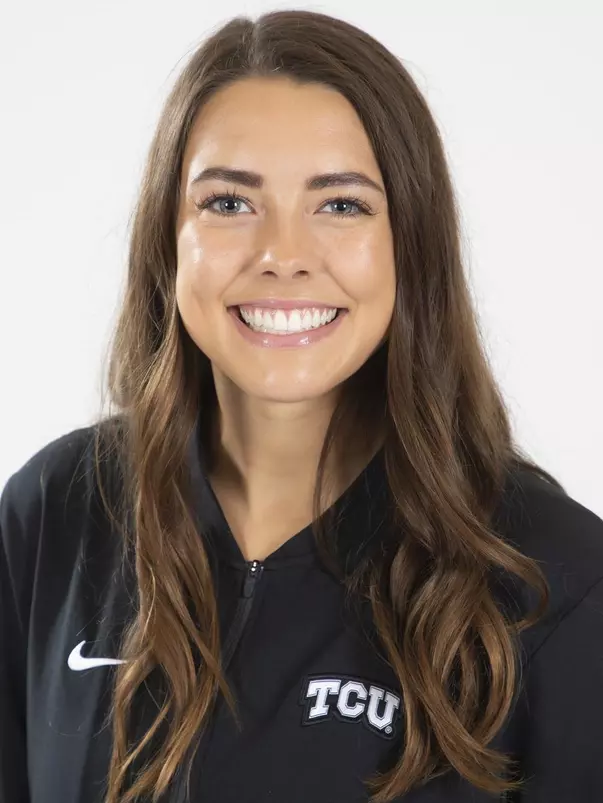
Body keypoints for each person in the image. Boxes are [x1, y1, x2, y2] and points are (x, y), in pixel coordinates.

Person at [1, 8, 602, 803]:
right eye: (228, 203)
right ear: (166, 241)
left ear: (409, 246)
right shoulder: (54, 514)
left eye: (341, 204)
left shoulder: (550, 574)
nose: (283, 255)